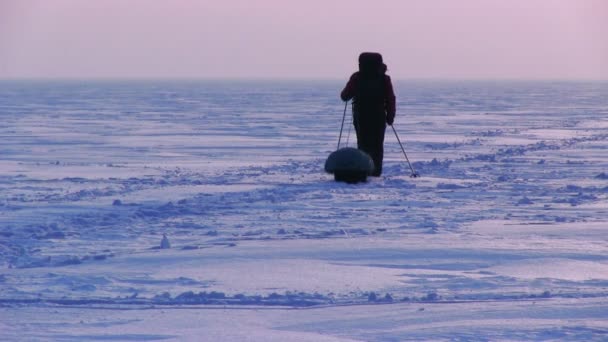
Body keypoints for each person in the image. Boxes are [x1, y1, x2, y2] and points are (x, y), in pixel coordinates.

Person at [340, 52, 396, 177]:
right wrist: (390, 117)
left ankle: (364, 169)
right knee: (377, 144)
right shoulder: (384, 78)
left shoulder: (357, 77)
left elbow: (344, 96)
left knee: (363, 143)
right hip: (378, 115)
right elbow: (390, 98)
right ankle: (376, 171)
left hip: (361, 115)